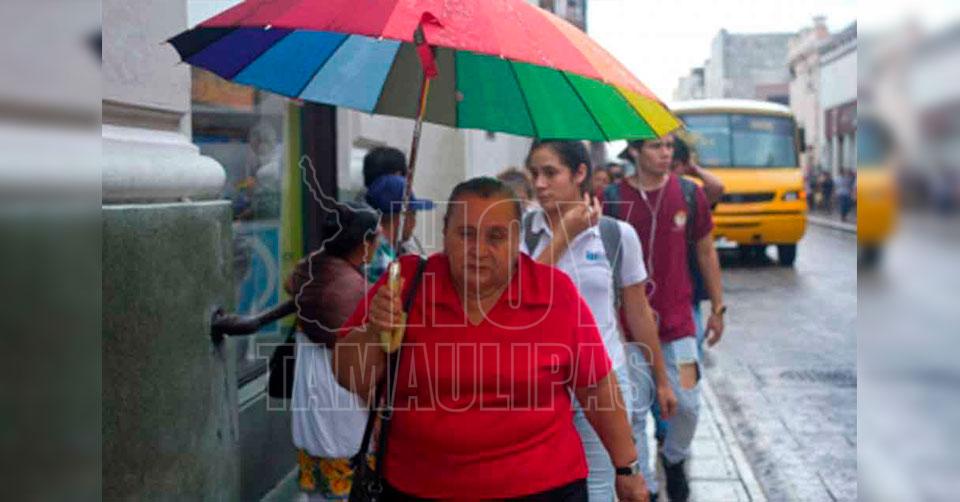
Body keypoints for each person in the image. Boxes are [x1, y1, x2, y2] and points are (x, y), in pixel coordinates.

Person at [334, 177, 650, 501]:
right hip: (418, 488)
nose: (479, 251)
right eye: (466, 234)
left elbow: (597, 385)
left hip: (544, 488)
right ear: (445, 233)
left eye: (495, 237)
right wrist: (375, 329)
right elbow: (350, 376)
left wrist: (627, 469)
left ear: (517, 240)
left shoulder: (554, 292)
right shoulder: (405, 283)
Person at [522, 140, 677, 502]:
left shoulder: (616, 235)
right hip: (541, 382)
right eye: (534, 174)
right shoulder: (520, 233)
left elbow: (638, 313)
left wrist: (662, 379)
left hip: (604, 381)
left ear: (579, 174)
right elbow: (522, 299)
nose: (540, 183)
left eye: (550, 172)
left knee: (600, 489)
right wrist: (564, 236)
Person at [603, 135, 726, 502]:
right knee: (635, 410)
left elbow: (706, 253)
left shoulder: (690, 194)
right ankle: (650, 488)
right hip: (630, 329)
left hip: (681, 327)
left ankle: (673, 458)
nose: (666, 153)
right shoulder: (612, 199)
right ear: (635, 152)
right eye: (656, 146)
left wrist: (718, 307)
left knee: (687, 403)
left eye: (670, 146)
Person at [283, 201, 381, 499]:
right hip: (342, 405)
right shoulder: (353, 290)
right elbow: (360, 369)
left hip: (313, 400)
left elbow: (290, 285)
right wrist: (378, 418)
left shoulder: (310, 266)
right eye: (375, 236)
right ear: (364, 244)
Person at [363, 174, 434, 283]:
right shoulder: (384, 259)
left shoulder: (375, 247)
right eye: (413, 214)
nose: (414, 222)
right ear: (402, 216)